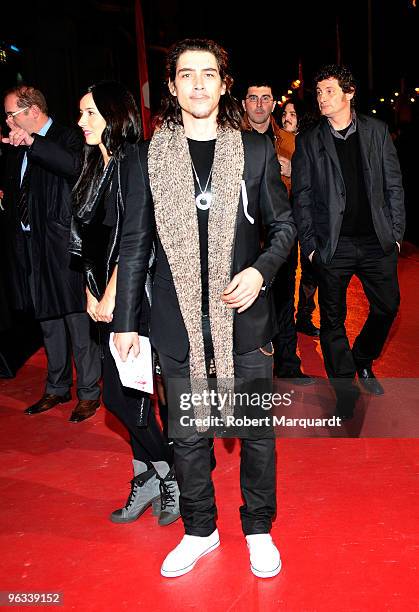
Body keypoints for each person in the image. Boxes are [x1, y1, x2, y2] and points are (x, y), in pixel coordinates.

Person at [113, 39, 296, 579]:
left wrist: (260, 270)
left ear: (223, 84)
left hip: (244, 321)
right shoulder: (152, 156)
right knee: (188, 439)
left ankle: (259, 529)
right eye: (186, 74)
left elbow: (283, 227)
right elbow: (134, 242)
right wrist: (125, 320)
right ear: (171, 87)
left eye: (208, 74)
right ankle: (200, 530)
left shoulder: (256, 151)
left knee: (257, 434)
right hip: (177, 323)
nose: (197, 83)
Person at [70, 81, 180, 526]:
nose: (81, 122)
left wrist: (114, 294)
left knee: (121, 399)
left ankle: (170, 472)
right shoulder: (92, 167)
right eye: (80, 113)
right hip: (102, 301)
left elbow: (140, 239)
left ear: (115, 115)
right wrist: (90, 293)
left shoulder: (136, 160)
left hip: (135, 301)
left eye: (90, 113)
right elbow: (84, 244)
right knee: (129, 399)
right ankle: (151, 475)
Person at [292, 64, 405, 417]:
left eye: (329, 90)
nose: (322, 98)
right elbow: (303, 196)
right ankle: (344, 388)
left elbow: (393, 185)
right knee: (332, 321)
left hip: (376, 242)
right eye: (319, 91)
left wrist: (396, 234)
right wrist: (310, 245)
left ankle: (363, 359)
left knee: (388, 306)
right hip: (332, 244)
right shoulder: (310, 140)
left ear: (349, 93)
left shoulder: (376, 131)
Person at [2, 85, 101, 421]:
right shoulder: (17, 147)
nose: (7, 121)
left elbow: (74, 167)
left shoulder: (69, 136)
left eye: (11, 114)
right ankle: (57, 387)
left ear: (32, 111)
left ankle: (89, 392)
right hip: (32, 246)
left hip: (63, 247)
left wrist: (34, 144)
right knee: (47, 321)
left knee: (77, 320)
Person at [242, 82, 314, 383]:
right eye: (253, 98)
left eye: (265, 99)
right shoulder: (230, 139)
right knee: (244, 301)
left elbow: (311, 186)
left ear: (274, 105)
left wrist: (291, 172)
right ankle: (244, 368)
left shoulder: (290, 141)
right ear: (244, 104)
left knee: (283, 299)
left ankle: (287, 364)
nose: (259, 105)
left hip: (280, 232)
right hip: (242, 233)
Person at [279, 99, 320, 338]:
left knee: (310, 269)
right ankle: (283, 319)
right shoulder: (274, 140)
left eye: (293, 113)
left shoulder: (309, 142)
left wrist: (294, 171)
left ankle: (304, 317)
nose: (287, 117)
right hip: (282, 215)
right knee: (285, 269)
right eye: (284, 113)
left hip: (306, 215)